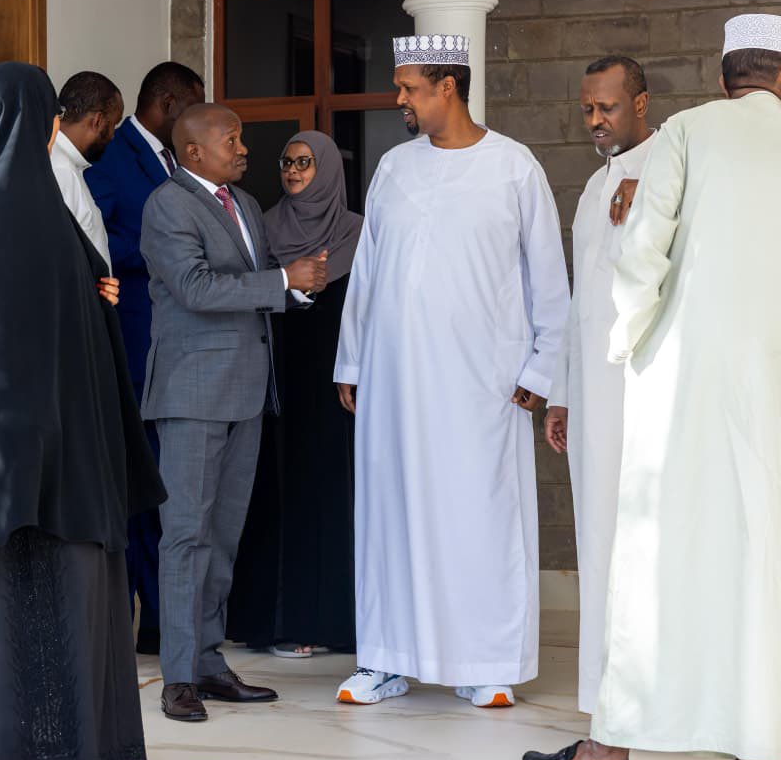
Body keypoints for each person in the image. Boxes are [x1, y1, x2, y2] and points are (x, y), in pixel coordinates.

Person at [523, 14, 781, 760]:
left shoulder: (689, 133)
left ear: (725, 75)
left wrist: (632, 351)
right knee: (771, 563)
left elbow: (640, 260)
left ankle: (607, 748)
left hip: (689, 390)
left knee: (657, 557)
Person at [0, 62, 166, 760]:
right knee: (49, 603)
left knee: (21, 606)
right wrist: (95, 297)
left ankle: (23, 756)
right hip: (52, 454)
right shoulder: (30, 203)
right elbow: (64, 307)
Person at [334, 35, 569, 708]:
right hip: (396, 381)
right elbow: (369, 274)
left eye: (409, 87)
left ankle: (482, 660)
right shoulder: (394, 170)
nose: (399, 98)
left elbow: (548, 278)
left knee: (479, 516)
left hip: (481, 382)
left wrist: (543, 365)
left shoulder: (513, 167)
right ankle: (385, 658)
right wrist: (351, 359)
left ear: (447, 86)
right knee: (391, 515)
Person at [140, 103, 328, 722]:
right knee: (186, 536)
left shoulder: (243, 205)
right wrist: (280, 281)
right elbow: (194, 289)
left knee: (222, 538)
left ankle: (209, 662)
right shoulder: (167, 204)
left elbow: (253, 287)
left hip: (246, 392)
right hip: (192, 394)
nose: (244, 148)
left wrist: (297, 288)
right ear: (193, 151)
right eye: (232, 139)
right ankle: (177, 677)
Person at [544, 56, 654, 715]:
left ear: (640, 103)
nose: (594, 121)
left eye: (606, 108)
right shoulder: (592, 188)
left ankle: (642, 698)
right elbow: (578, 299)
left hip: (641, 397)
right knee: (599, 543)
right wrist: (561, 392)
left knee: (639, 547)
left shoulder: (674, 171)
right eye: (586, 109)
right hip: (590, 398)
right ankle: (604, 700)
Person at [86, 62, 205, 655]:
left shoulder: (177, 157)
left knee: (173, 484)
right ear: (165, 101)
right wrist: (160, 250)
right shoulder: (112, 156)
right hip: (135, 341)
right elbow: (93, 236)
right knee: (145, 485)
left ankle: (173, 613)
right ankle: (152, 617)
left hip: (179, 344)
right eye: (191, 107)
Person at [264, 132, 363, 658]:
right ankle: (292, 620)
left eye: (305, 162)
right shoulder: (265, 227)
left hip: (342, 386)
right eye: (287, 161)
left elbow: (374, 307)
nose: (295, 170)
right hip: (281, 380)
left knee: (342, 494)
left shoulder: (359, 233)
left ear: (326, 168)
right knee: (288, 493)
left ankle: (345, 622)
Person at [51, 71, 123, 265]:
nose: (113, 136)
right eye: (113, 125)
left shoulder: (67, 164)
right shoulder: (61, 170)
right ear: (98, 121)